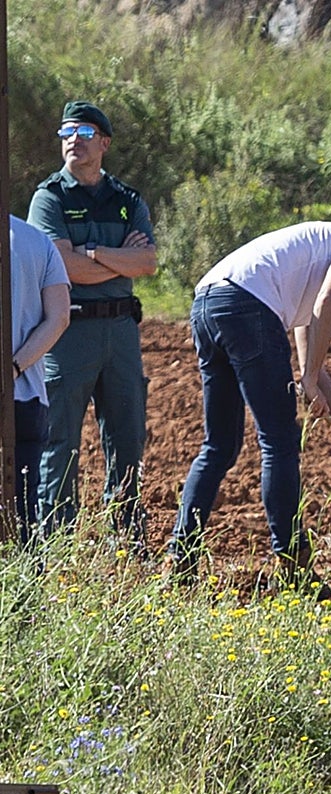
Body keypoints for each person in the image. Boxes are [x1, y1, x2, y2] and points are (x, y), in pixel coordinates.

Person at [168, 221, 331, 590]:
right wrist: (307, 380)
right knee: (279, 442)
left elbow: (315, 361)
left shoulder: (308, 275)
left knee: (220, 446)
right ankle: (296, 571)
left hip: (208, 305)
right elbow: (326, 305)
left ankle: (179, 562)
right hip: (248, 307)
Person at [27, 101, 157, 545]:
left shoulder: (127, 199)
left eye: (82, 132)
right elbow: (60, 267)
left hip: (121, 333)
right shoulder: (50, 197)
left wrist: (94, 255)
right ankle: (56, 542)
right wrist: (118, 259)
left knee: (127, 439)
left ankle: (125, 539)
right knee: (60, 441)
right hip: (69, 331)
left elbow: (148, 262)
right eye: (65, 132)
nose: (72, 140)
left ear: (104, 142)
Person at [8, 216, 71, 544]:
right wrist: (14, 368)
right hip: (26, 397)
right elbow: (59, 317)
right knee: (23, 513)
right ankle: (26, 589)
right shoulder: (38, 241)